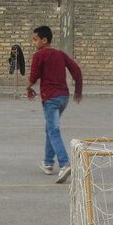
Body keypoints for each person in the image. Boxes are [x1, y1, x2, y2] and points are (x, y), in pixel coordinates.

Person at [25, 25, 82, 184]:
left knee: (53, 130)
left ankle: (65, 163)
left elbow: (34, 75)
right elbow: (76, 70)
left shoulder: (39, 55)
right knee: (50, 128)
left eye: (35, 40)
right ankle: (48, 163)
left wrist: (28, 87)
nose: (34, 43)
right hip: (63, 97)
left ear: (44, 40)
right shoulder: (60, 54)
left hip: (50, 98)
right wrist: (78, 90)